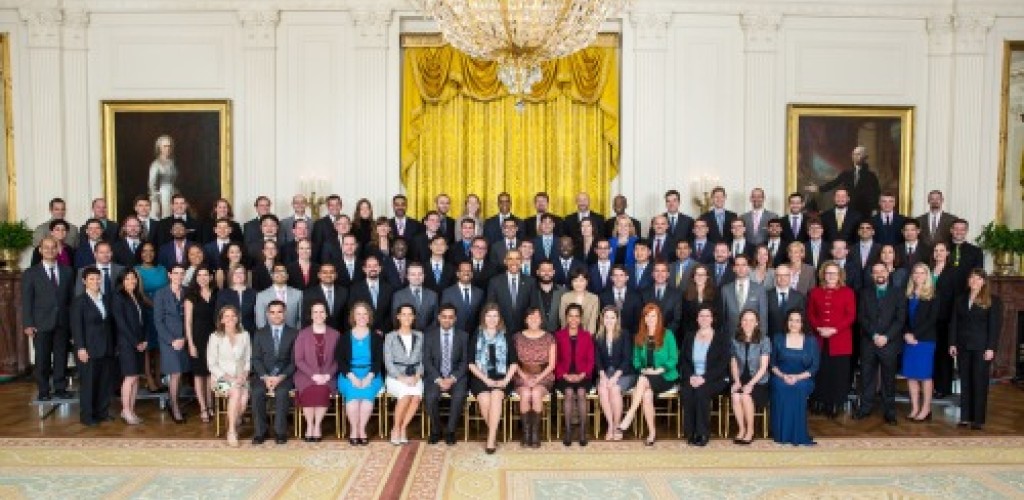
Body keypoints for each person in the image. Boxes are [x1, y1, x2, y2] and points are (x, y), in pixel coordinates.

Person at [618, 303, 680, 446]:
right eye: (647, 316)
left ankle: (630, 414)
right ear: (644, 318)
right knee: (646, 395)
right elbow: (636, 360)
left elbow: (674, 358)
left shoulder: (667, 334)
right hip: (647, 376)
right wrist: (642, 369)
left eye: (653, 315)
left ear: (658, 317)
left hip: (665, 376)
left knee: (643, 380)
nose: (650, 318)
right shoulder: (640, 336)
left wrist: (661, 369)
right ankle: (652, 433)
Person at [22, 236, 74, 401]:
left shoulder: (67, 271)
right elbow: (26, 300)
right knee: (42, 359)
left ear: (58, 250)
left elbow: (71, 300)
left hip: (62, 322)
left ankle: (60, 388)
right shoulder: (31, 273)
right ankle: (43, 390)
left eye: (53, 247)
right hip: (40, 322)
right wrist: (28, 323)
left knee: (61, 357)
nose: (50, 250)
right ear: (40, 250)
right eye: (46, 247)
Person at [949, 269, 1003, 430]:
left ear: (984, 281)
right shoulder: (960, 299)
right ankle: (965, 417)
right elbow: (954, 323)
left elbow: (995, 327)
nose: (974, 281)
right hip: (963, 346)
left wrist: (991, 348)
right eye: (972, 277)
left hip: (982, 348)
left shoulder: (993, 301)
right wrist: (952, 343)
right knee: (964, 381)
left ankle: (978, 419)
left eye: (978, 278)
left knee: (979, 382)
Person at [854, 263, 907, 425]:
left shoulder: (898, 293)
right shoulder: (864, 293)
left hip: (889, 343)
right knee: (867, 378)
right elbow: (861, 317)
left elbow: (900, 319)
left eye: (882, 271)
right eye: (875, 272)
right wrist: (874, 335)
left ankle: (889, 412)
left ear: (888, 272)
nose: (879, 274)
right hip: (869, 342)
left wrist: (886, 337)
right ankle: (865, 408)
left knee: (888, 379)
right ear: (872, 275)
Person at [807, 261, 856, 419]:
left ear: (840, 275)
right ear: (823, 275)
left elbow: (850, 316)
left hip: (840, 339)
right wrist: (819, 328)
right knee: (820, 371)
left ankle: (835, 403)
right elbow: (810, 314)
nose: (831, 276)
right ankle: (819, 401)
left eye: (834, 273)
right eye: (828, 273)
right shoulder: (815, 292)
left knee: (838, 373)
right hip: (819, 338)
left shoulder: (848, 292)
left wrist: (834, 330)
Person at [468, 303, 518, 454]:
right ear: (484, 317)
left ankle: (490, 440)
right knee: (484, 399)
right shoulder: (477, 334)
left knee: (496, 395)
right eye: (489, 315)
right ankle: (493, 434)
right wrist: (486, 380)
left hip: (502, 377)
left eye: (495, 316)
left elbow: (514, 363)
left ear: (499, 318)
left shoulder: (506, 335)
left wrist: (506, 380)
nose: (492, 319)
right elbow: (470, 363)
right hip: (481, 377)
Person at [70, 267, 115, 427]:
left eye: (97, 278)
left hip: (106, 348)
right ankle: (87, 416)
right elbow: (76, 327)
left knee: (104, 383)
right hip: (88, 349)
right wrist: (81, 348)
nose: (95, 281)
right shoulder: (79, 301)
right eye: (91, 279)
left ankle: (102, 413)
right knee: (89, 384)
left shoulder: (105, 299)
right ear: (84, 281)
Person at [680, 305, 730, 446]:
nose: (704, 318)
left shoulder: (720, 338)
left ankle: (702, 433)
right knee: (687, 392)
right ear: (697, 319)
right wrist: (690, 376)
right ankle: (691, 432)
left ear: (712, 319)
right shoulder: (690, 336)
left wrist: (704, 378)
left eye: (707, 316)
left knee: (701, 392)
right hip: (693, 376)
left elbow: (722, 364)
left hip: (714, 378)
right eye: (701, 316)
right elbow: (684, 360)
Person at [336, 301, 385, 446]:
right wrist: (352, 377)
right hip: (349, 374)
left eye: (365, 314)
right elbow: (341, 360)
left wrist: (369, 377)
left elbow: (378, 361)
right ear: (353, 317)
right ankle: (353, 430)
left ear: (369, 317)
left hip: (371, 373)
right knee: (352, 399)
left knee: (366, 400)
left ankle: (362, 430)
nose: (362, 317)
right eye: (359, 314)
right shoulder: (345, 337)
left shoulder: (376, 337)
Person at [250, 300, 298, 445]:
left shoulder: (294, 333)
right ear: (267, 314)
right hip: (263, 375)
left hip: (285, 375)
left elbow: (294, 361)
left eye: (279, 312)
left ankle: (280, 432)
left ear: (285, 313)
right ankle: (260, 432)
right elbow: (256, 359)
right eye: (272, 312)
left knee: (282, 393)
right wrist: (265, 377)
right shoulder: (259, 333)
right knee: (257, 392)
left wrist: (281, 377)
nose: (276, 315)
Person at [770, 310, 820, 446]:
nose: (794, 323)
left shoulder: (811, 340)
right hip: (780, 376)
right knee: (782, 387)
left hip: (803, 378)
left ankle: (798, 435)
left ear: (802, 323)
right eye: (791, 320)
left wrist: (797, 377)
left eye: (797, 321)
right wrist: (783, 375)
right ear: (787, 322)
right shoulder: (778, 338)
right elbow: (773, 364)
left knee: (798, 388)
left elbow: (814, 367)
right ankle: (781, 435)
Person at [423, 304, 470, 446]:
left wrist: (452, 378)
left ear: (455, 319)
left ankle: (450, 431)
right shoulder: (429, 335)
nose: (447, 320)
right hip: (435, 376)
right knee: (430, 397)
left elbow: (465, 361)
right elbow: (426, 360)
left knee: (459, 396)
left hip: (456, 377)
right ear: (439, 318)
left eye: (450, 317)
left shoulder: (463, 336)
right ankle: (436, 430)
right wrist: (438, 379)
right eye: (444, 317)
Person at [294, 301, 340, 442]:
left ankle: (317, 426)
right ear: (311, 315)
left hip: (328, 374)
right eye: (315, 312)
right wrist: (313, 375)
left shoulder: (335, 334)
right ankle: (309, 425)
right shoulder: (302, 334)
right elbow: (299, 359)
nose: (318, 315)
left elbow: (339, 359)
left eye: (321, 312)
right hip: (306, 375)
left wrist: (327, 375)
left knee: (321, 390)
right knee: (310, 390)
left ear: (326, 314)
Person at [204, 305, 250, 446]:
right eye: (227, 316)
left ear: (237, 318)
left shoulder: (244, 335)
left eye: (233, 316)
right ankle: (231, 431)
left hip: (241, 377)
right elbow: (211, 364)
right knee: (236, 393)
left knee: (244, 398)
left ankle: (232, 420)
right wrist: (229, 378)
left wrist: (244, 374)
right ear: (222, 320)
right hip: (220, 379)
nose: (230, 318)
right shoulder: (215, 337)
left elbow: (248, 359)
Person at [901, 263, 940, 422]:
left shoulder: (934, 295)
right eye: (915, 273)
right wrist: (906, 334)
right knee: (911, 375)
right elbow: (902, 317)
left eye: (922, 273)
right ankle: (915, 408)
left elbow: (932, 319)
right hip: (908, 340)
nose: (918, 275)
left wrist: (914, 335)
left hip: (925, 341)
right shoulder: (908, 294)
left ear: (927, 275)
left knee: (924, 376)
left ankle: (926, 409)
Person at [513, 307, 556, 448]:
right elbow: (513, 362)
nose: (534, 319)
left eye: (537, 317)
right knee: (526, 393)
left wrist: (537, 379)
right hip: (522, 375)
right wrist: (524, 376)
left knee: (536, 393)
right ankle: (526, 433)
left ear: (541, 320)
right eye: (530, 316)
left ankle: (535, 433)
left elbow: (552, 364)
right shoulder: (517, 337)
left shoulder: (550, 338)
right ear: (526, 319)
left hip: (544, 376)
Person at [554, 303, 595, 446]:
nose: (573, 319)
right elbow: (555, 359)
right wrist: (564, 375)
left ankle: (583, 430)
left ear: (581, 318)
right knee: (569, 392)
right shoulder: (558, 335)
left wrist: (582, 374)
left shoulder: (586, 336)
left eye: (577, 316)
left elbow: (591, 359)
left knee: (582, 392)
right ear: (566, 317)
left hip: (583, 375)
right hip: (564, 375)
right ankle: (568, 430)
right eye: (571, 315)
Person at [111, 268, 148, 425]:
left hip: (139, 342)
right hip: (126, 343)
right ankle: (125, 410)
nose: (131, 281)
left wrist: (144, 340)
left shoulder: (138, 297)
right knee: (130, 376)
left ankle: (131, 410)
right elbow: (121, 324)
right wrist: (135, 342)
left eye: (133, 278)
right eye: (127, 279)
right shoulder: (118, 297)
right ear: (121, 281)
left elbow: (143, 322)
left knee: (136, 378)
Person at [384, 304, 424, 445]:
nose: (407, 317)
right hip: (396, 377)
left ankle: (403, 428)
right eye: (404, 314)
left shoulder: (420, 336)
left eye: (410, 314)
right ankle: (395, 428)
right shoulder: (390, 337)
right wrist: (402, 378)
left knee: (416, 398)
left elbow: (423, 359)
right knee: (407, 394)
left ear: (413, 317)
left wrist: (418, 376)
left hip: (415, 375)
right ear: (398, 316)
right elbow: (388, 362)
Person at [593, 305, 635, 441]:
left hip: (624, 373)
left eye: (612, 317)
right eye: (607, 317)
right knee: (603, 389)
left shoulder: (625, 334)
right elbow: (597, 359)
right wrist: (603, 376)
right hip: (605, 373)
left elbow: (627, 359)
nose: (609, 320)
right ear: (602, 319)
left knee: (615, 389)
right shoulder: (598, 336)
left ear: (617, 319)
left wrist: (615, 377)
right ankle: (610, 425)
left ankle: (617, 426)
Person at [154, 264, 188, 423]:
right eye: (176, 273)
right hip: (169, 341)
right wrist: (171, 340)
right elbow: (158, 321)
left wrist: (185, 338)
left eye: (182, 273)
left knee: (180, 373)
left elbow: (190, 319)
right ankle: (174, 407)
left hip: (184, 339)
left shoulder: (188, 292)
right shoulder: (161, 294)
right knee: (175, 373)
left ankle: (173, 401)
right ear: (169, 274)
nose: (179, 276)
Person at [730, 310, 771, 445]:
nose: (748, 323)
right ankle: (741, 429)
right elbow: (734, 363)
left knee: (746, 396)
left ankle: (750, 431)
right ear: (741, 322)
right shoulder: (735, 340)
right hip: (741, 377)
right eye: (745, 320)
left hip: (758, 381)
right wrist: (736, 381)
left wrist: (751, 384)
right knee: (736, 396)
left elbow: (763, 367)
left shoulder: (764, 340)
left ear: (757, 322)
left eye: (751, 320)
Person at [805, 145, 881, 217]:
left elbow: (876, 193)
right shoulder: (846, 173)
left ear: (865, 157)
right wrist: (818, 188)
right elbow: (833, 183)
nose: (855, 156)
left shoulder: (871, 176)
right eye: (854, 154)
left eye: (858, 154)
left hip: (865, 211)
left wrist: (874, 209)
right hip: (848, 210)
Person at [184, 266, 217, 422]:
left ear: (211, 277)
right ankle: (203, 407)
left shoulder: (217, 293)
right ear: (196, 278)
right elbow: (188, 322)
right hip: (197, 338)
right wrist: (190, 343)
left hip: (215, 339)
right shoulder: (191, 296)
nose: (203, 277)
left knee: (211, 373)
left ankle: (211, 405)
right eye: (200, 275)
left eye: (206, 274)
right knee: (199, 374)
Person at [135, 241, 168, 392]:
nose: (148, 254)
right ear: (140, 253)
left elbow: (168, 290)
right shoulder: (136, 270)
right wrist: (155, 307)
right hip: (146, 311)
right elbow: (140, 293)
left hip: (163, 311)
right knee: (148, 347)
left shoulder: (162, 269)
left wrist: (162, 308)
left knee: (160, 346)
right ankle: (149, 378)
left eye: (151, 250)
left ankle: (158, 378)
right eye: (144, 251)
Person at [930, 242, 957, 398]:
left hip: (945, 319)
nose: (938, 253)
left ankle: (943, 388)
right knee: (933, 354)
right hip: (931, 319)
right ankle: (932, 386)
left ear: (947, 253)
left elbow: (956, 297)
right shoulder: (929, 270)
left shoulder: (953, 272)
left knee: (943, 355)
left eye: (941, 250)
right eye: (936, 250)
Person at [255, 263, 303, 329]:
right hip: (269, 336)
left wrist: (296, 333)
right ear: (272, 276)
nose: (280, 274)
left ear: (287, 275)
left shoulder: (298, 294)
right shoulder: (262, 296)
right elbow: (260, 321)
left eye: (283, 271)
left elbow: (301, 318)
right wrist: (266, 335)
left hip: (293, 335)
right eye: (277, 271)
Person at [215, 263, 258, 334]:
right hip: (228, 332)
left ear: (245, 276)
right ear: (231, 276)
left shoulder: (254, 293)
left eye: (241, 273)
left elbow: (257, 316)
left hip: (250, 332)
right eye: (235, 273)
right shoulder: (223, 294)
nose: (238, 276)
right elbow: (218, 315)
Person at [148, 134, 179, 219]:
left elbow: (174, 181)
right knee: (166, 218)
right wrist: (156, 202)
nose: (167, 149)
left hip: (173, 192)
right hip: (162, 195)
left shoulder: (172, 163)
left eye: (169, 146)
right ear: (160, 148)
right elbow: (152, 185)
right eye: (165, 146)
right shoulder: (156, 164)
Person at [559, 268, 599, 333]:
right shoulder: (565, 297)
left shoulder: (594, 298)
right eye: (575, 280)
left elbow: (593, 321)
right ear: (571, 282)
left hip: (587, 335)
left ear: (587, 282)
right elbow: (563, 319)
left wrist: (587, 338)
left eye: (581, 280)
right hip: (568, 335)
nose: (578, 284)